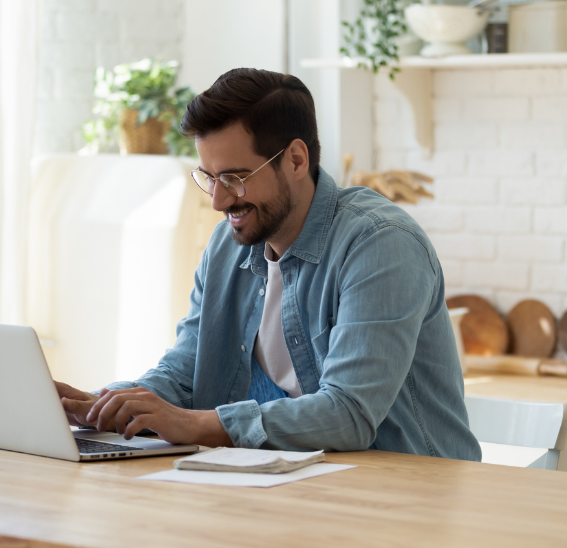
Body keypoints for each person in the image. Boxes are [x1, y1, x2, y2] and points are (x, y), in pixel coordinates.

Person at [57, 68, 481, 460]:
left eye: (235, 179)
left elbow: (349, 413)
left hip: (412, 497)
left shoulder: (380, 244)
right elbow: (186, 373)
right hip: (302, 487)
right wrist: (103, 404)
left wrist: (195, 425)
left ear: (296, 160)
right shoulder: (228, 246)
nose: (218, 201)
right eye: (209, 177)